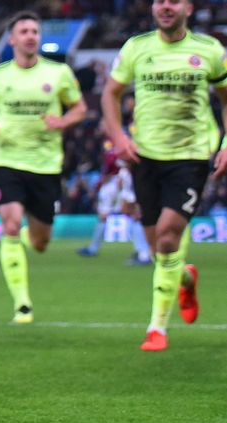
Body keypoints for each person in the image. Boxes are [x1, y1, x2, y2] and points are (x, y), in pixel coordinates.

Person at [102, 0, 227, 351]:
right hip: (145, 157)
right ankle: (185, 277)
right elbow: (111, 94)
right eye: (159, 1)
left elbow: (226, 98)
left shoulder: (210, 51)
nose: (165, 7)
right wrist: (118, 138)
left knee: (169, 237)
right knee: (160, 249)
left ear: (188, 7)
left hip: (190, 157)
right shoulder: (137, 48)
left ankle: (157, 328)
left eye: (173, 0)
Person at [0, 11, 87, 323]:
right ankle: (22, 304)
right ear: (12, 39)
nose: (30, 35)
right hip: (7, 160)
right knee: (10, 224)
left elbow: (80, 108)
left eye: (34, 31)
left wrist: (62, 120)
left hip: (46, 164)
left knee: (40, 242)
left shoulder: (59, 73)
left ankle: (24, 240)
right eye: (23, 31)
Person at [76, 140, 153, 265]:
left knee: (134, 217)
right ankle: (143, 252)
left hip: (124, 185)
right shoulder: (127, 168)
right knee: (135, 217)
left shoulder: (124, 168)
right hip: (131, 184)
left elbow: (112, 172)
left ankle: (144, 254)